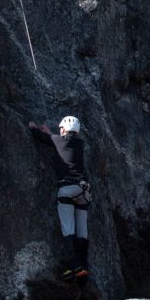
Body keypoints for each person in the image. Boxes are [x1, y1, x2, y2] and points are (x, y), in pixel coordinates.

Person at [27, 115, 91, 279]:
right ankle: (84, 266)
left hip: (67, 189)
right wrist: (51, 134)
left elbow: (40, 136)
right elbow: (56, 139)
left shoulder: (58, 140)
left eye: (61, 128)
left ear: (64, 129)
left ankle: (74, 265)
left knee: (68, 228)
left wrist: (33, 126)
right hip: (84, 190)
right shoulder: (80, 143)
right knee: (82, 231)